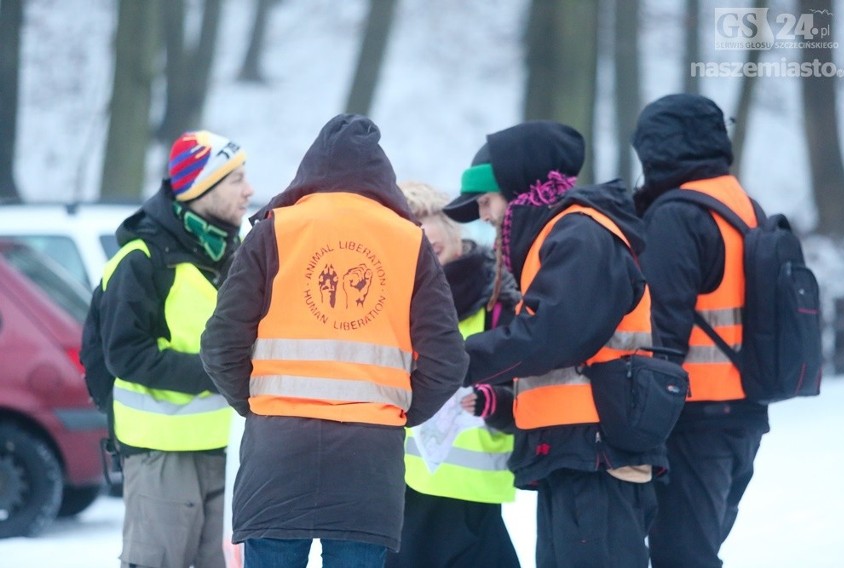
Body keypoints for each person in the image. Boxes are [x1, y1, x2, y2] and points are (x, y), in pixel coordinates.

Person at [199, 114, 467, 568]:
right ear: (382, 176)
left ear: (311, 169)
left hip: (277, 458)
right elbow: (447, 361)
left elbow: (221, 343)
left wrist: (258, 405)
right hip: (368, 461)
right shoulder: (408, 241)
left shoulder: (274, 230)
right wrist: (397, 411)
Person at [443, 120, 665, 568]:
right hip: (575, 450)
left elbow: (551, 337)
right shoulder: (562, 235)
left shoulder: (580, 234)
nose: (485, 216)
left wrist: (453, 360)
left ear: (520, 188)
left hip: (597, 451)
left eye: (486, 201)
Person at [82, 130, 253, 568]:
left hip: (229, 451)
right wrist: (220, 371)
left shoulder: (237, 258)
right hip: (162, 457)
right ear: (201, 188)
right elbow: (125, 354)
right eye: (236, 180)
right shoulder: (140, 261)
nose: (249, 190)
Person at [632, 93, 771, 568]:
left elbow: (660, 324)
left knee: (681, 555)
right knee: (696, 549)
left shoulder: (677, 214)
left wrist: (640, 420)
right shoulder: (745, 205)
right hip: (745, 413)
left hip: (694, 417)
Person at [384, 181, 520, 568]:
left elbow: (524, 386)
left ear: (451, 223)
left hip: (477, 499)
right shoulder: (395, 308)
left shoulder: (499, 299)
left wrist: (501, 404)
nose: (421, 236)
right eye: (407, 229)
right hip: (410, 493)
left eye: (426, 219)